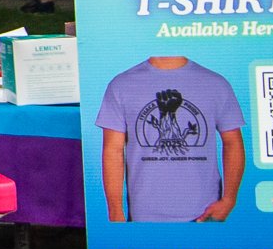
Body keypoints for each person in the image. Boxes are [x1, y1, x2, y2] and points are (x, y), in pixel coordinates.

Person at [98, 54, 244, 223]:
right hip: (143, 216)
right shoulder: (121, 85)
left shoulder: (216, 83)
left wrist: (229, 200)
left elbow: (233, 142)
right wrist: (115, 211)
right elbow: (112, 150)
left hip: (204, 215)